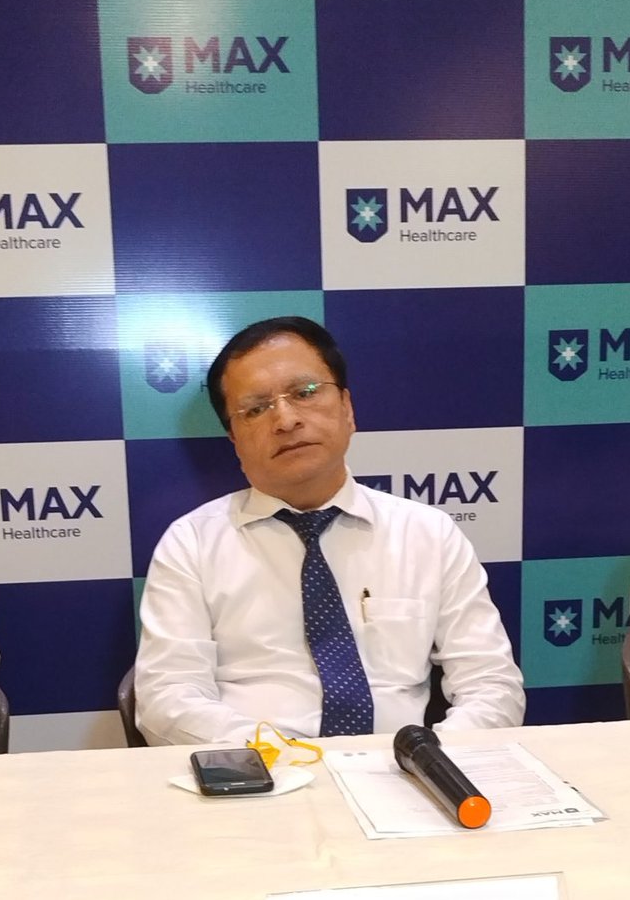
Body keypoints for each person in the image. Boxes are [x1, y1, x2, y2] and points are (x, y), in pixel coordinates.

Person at [135, 316, 524, 746]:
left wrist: (432, 761)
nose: (285, 420)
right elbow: (166, 699)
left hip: (404, 771)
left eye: (304, 393)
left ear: (347, 409)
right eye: (256, 408)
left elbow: (492, 685)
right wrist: (279, 759)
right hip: (259, 772)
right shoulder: (191, 544)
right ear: (234, 439)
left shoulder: (428, 534)